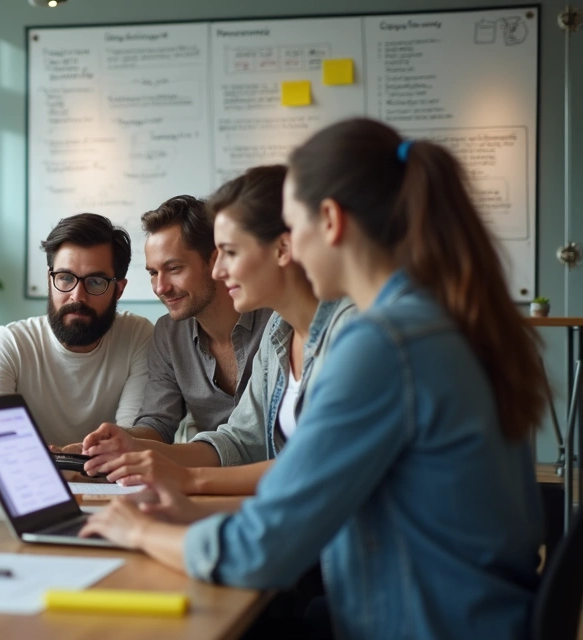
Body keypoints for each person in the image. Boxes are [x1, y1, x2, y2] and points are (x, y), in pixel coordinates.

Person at [80, 118, 546, 639]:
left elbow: (262, 551)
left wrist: (137, 529)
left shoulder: (381, 345)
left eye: (293, 227)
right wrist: (186, 505)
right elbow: (301, 490)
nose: (291, 248)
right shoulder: (426, 319)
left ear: (329, 221)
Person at [80, 166, 355, 505]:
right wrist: (136, 449)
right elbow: (241, 439)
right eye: (153, 273)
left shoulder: (351, 331)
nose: (221, 270)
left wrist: (186, 481)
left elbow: (318, 468)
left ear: (283, 249)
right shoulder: (279, 334)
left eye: (231, 252)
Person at [0, 213, 153, 467]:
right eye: (66, 278)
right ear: (50, 280)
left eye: (95, 282)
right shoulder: (11, 343)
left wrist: (72, 458)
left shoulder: (138, 336)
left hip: (111, 487)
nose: (77, 296)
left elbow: (130, 441)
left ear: (119, 289)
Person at [125, 195, 271, 445]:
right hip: (213, 475)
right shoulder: (168, 333)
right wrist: (119, 440)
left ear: (215, 260)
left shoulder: (275, 318)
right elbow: (158, 422)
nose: (160, 287)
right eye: (153, 272)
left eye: (174, 269)